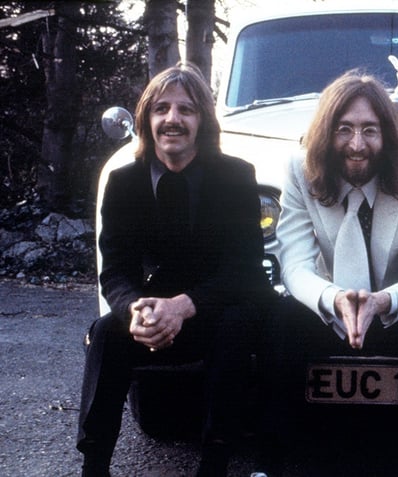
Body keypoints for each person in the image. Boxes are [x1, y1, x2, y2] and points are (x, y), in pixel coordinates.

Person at [268, 70, 398, 472]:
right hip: (327, 309)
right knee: (281, 315)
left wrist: (385, 301)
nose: (357, 145)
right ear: (326, 133)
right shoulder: (298, 170)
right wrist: (333, 299)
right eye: (344, 129)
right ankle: (274, 459)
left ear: (388, 136)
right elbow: (294, 266)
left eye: (370, 130)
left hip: (393, 310)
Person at [78, 62, 271, 477]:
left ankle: (215, 462)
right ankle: (94, 464)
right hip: (151, 313)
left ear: (202, 119)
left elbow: (244, 268)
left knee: (238, 326)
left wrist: (184, 306)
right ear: (147, 119)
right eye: (161, 109)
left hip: (215, 310)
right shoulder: (123, 181)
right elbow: (114, 269)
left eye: (186, 109)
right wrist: (134, 310)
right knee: (106, 332)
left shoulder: (237, 177)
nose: (173, 119)